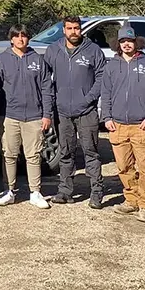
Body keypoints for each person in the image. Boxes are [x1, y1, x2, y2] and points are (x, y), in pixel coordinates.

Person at [101, 25, 145, 224]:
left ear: (136, 42)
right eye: (123, 41)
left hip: (141, 126)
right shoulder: (110, 66)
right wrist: (107, 117)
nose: (127, 44)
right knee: (124, 167)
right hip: (117, 125)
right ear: (118, 44)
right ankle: (131, 199)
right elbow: (106, 94)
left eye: (130, 41)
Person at [44, 16, 107, 208]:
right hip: (63, 112)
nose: (73, 32)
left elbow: (102, 77)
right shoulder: (54, 50)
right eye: (69, 28)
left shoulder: (93, 50)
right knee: (65, 152)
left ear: (81, 30)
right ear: (64, 30)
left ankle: (96, 192)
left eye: (77, 28)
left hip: (86, 112)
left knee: (91, 153)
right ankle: (65, 190)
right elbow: (45, 78)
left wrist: (88, 99)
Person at [0, 25, 54, 209]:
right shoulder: (1, 60)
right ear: (11, 39)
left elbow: (46, 89)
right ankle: (9, 191)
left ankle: (35, 192)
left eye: (24, 36)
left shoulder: (37, 59)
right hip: (9, 115)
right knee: (9, 154)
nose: (21, 39)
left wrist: (47, 114)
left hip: (34, 116)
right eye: (17, 36)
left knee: (33, 155)